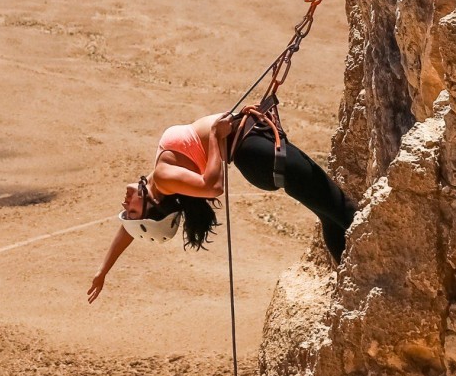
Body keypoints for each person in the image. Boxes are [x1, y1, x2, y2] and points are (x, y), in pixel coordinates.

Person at [87, 111, 356, 302]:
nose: (125, 204)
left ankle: (353, 280)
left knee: (331, 218)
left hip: (256, 155)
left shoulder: (159, 180)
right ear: (153, 204)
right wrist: (215, 136)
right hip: (256, 154)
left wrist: (102, 271)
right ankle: (364, 276)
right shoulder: (163, 178)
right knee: (348, 215)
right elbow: (213, 186)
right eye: (132, 210)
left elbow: (128, 230)